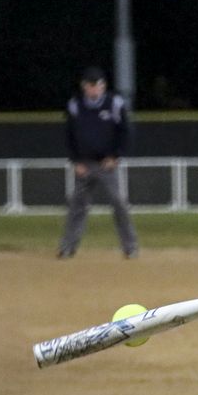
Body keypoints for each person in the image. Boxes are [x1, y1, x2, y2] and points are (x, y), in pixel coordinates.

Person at [57, 66, 138, 259]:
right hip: (84, 164)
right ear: (84, 87)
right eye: (91, 86)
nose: (95, 89)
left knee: (119, 204)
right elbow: (69, 135)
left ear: (103, 86)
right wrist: (75, 161)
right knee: (77, 206)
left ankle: (130, 247)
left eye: (98, 85)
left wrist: (115, 156)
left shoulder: (114, 104)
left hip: (106, 164)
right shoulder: (75, 105)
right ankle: (68, 247)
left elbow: (125, 132)